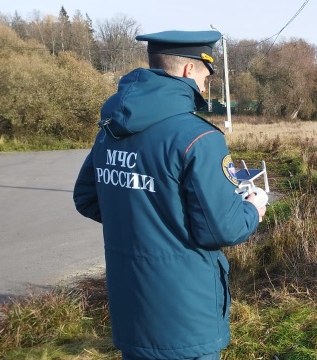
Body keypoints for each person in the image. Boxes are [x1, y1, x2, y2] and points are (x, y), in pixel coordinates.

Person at [73, 30, 266, 359]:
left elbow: (88, 197)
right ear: (190, 70)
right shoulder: (198, 138)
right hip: (184, 314)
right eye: (207, 74)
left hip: (131, 307)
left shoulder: (111, 130)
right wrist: (253, 209)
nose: (206, 85)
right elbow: (222, 228)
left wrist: (143, 219)